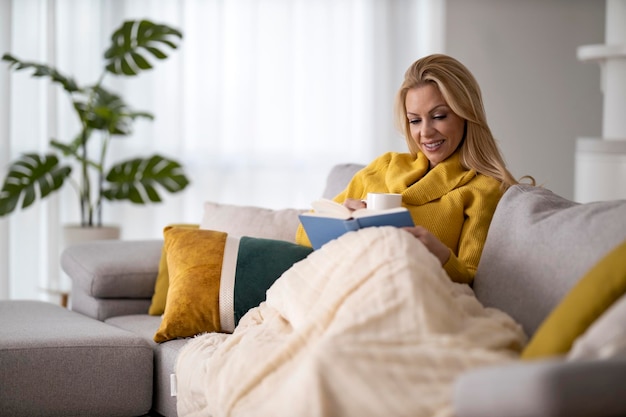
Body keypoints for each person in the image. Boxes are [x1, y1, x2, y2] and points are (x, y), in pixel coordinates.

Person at [295, 53, 534, 284]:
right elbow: (302, 236)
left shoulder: (483, 189)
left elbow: (472, 279)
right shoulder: (385, 166)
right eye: (415, 120)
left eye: (439, 116)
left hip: (411, 291)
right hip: (349, 283)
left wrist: (440, 255)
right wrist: (338, 217)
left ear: (466, 115)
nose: (425, 132)